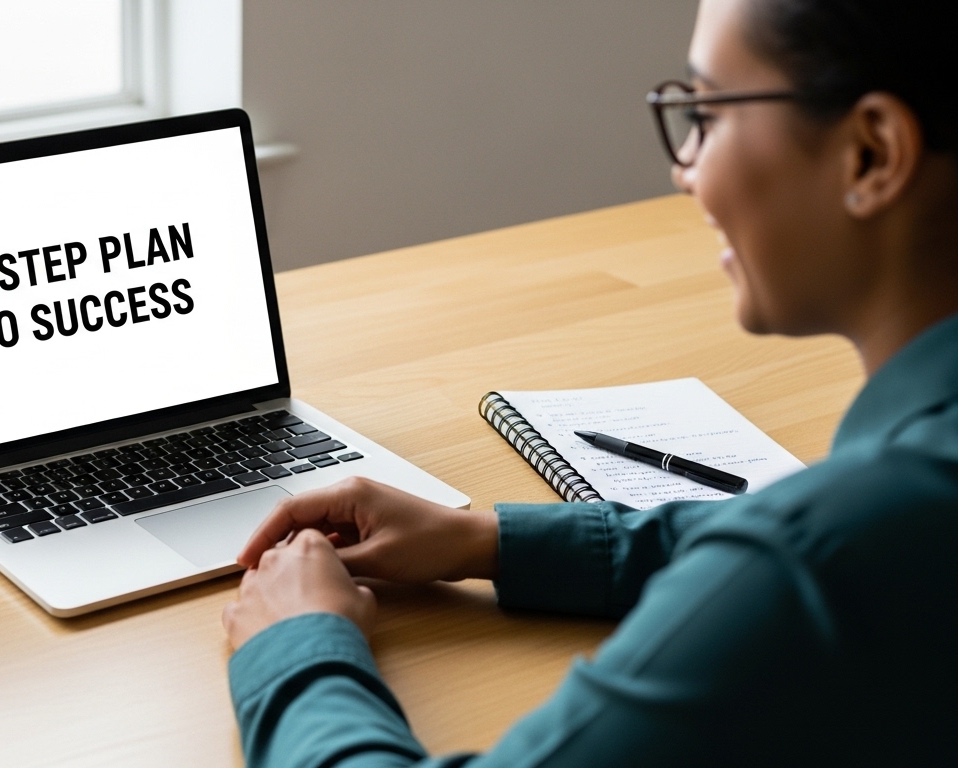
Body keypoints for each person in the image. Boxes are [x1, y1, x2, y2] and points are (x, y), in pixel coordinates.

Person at [221, 0, 958, 764]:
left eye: (706, 113)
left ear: (871, 154)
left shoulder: (822, 556)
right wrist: (490, 542)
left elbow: (807, 559)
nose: (685, 168)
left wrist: (296, 645)